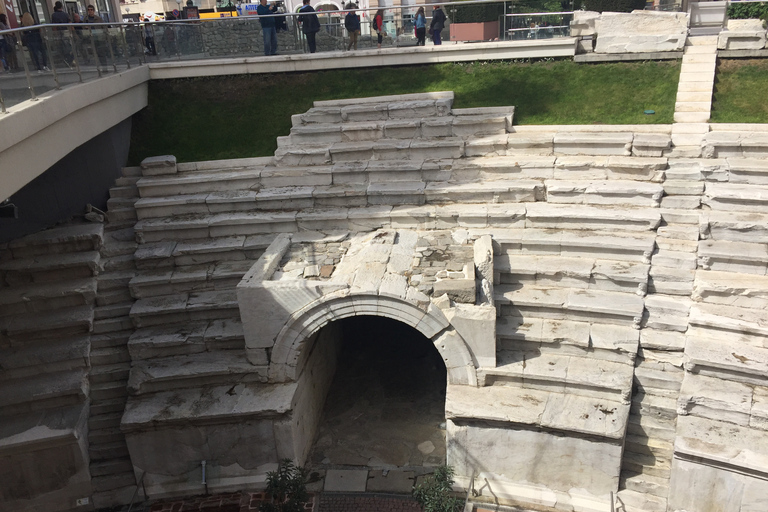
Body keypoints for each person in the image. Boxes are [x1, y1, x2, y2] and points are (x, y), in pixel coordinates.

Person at [51, 1, 74, 66]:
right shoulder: (66, 14)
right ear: (62, 7)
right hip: (66, 31)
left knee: (61, 46)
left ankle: (65, 59)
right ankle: (70, 59)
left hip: (59, 32)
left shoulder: (54, 15)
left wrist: (55, 34)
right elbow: (70, 24)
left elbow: (54, 26)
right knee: (69, 45)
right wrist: (73, 32)